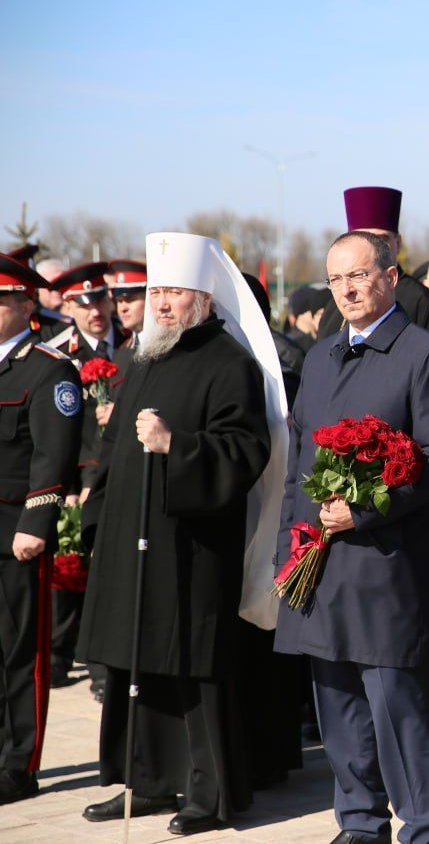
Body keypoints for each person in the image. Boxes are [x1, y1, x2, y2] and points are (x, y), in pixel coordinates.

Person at [78, 232, 285, 834]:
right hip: (130, 535)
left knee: (189, 663)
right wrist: (97, 514)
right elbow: (113, 446)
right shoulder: (144, 358)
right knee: (135, 659)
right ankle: (143, 781)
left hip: (191, 543)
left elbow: (246, 449)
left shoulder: (231, 363)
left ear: (206, 298)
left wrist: (178, 447)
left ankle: (204, 793)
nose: (162, 303)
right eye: (157, 291)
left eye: (176, 292)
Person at [274, 230, 429, 844]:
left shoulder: (423, 355)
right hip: (319, 563)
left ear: (389, 275)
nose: (347, 289)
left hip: (387, 564)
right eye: (336, 279)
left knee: (396, 709)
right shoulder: (322, 357)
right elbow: (298, 466)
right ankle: (359, 824)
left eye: (358, 275)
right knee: (338, 709)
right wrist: (289, 550)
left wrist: (366, 510)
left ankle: (424, 828)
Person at [0, 254, 82, 805]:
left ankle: (17, 763)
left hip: (14, 533)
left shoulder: (48, 367)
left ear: (27, 305)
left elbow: (54, 454)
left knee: (18, 650)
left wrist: (37, 520)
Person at [44, 262, 132, 690]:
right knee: (69, 562)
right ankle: (60, 651)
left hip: (122, 471)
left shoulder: (134, 345)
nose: (95, 311)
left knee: (110, 568)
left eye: (99, 299)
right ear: (69, 308)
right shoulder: (58, 351)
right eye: (84, 303)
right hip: (78, 478)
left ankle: (102, 664)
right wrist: (71, 484)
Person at [314, 186, 429, 339]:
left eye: (381, 239)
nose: (372, 245)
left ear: (398, 243)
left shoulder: (421, 299)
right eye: (362, 237)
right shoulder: (336, 304)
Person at [107, 259, 147, 338]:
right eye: (119, 301)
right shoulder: (122, 349)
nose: (123, 309)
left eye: (130, 300)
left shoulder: (169, 347)